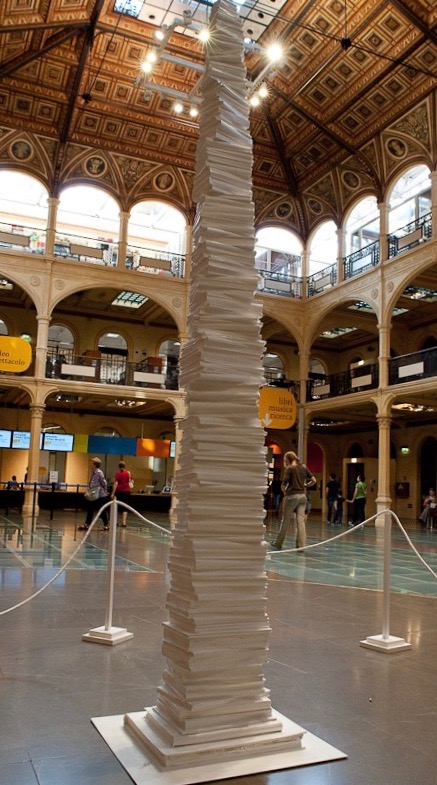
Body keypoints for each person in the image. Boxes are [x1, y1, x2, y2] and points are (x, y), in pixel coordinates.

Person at [271, 451, 316, 551]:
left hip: (292, 496)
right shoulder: (304, 467)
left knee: (285, 521)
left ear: (288, 460)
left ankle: (278, 543)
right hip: (303, 497)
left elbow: (283, 485)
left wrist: (285, 493)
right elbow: (314, 480)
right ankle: (301, 546)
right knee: (301, 522)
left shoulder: (290, 469)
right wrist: (305, 485)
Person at [79, 457, 109, 531]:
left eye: (92, 463)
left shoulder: (99, 473)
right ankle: (87, 524)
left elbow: (104, 482)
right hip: (93, 493)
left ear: (95, 464)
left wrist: (105, 490)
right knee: (90, 508)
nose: (90, 465)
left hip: (100, 495)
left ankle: (106, 524)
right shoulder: (93, 472)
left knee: (101, 509)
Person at [111, 461, 132, 527]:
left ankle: (116, 521)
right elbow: (130, 482)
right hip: (126, 491)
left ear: (119, 466)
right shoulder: (128, 473)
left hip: (119, 491)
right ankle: (124, 522)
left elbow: (116, 483)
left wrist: (113, 493)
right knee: (125, 507)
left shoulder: (118, 473)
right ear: (124, 466)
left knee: (117, 506)